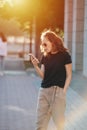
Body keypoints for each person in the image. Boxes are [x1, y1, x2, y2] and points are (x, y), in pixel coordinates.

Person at [30, 30, 72, 130]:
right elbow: (44, 76)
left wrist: (63, 91)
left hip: (58, 92)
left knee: (59, 124)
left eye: (45, 43)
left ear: (52, 42)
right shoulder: (45, 56)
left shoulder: (65, 55)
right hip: (44, 92)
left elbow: (69, 75)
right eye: (42, 44)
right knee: (40, 124)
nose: (43, 46)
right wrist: (36, 66)